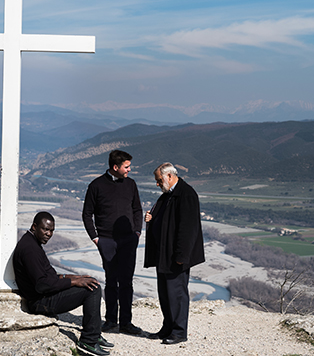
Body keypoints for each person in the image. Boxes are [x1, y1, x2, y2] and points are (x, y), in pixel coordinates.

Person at [13, 211, 113, 356]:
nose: (49, 234)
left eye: (51, 230)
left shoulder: (33, 242)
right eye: (45, 229)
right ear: (34, 226)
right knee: (92, 289)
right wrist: (73, 282)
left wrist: (75, 277)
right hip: (40, 302)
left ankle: (94, 333)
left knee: (90, 282)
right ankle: (88, 341)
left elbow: (50, 275)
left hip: (45, 296)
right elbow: (42, 285)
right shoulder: (30, 249)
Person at [82, 149, 143, 335]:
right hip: (106, 240)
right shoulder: (96, 185)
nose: (129, 170)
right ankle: (110, 321)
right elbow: (87, 214)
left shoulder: (131, 184)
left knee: (127, 282)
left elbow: (137, 210)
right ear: (115, 167)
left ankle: (126, 323)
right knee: (111, 281)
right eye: (127, 166)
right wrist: (96, 238)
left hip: (128, 240)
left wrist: (137, 233)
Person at [144, 162, 205, 345]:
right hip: (164, 255)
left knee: (177, 294)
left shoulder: (186, 194)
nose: (157, 184)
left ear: (169, 176)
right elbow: (164, 220)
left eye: (158, 180)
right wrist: (151, 219)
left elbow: (188, 229)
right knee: (165, 293)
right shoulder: (167, 195)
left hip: (176, 257)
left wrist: (182, 256)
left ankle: (179, 332)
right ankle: (167, 327)